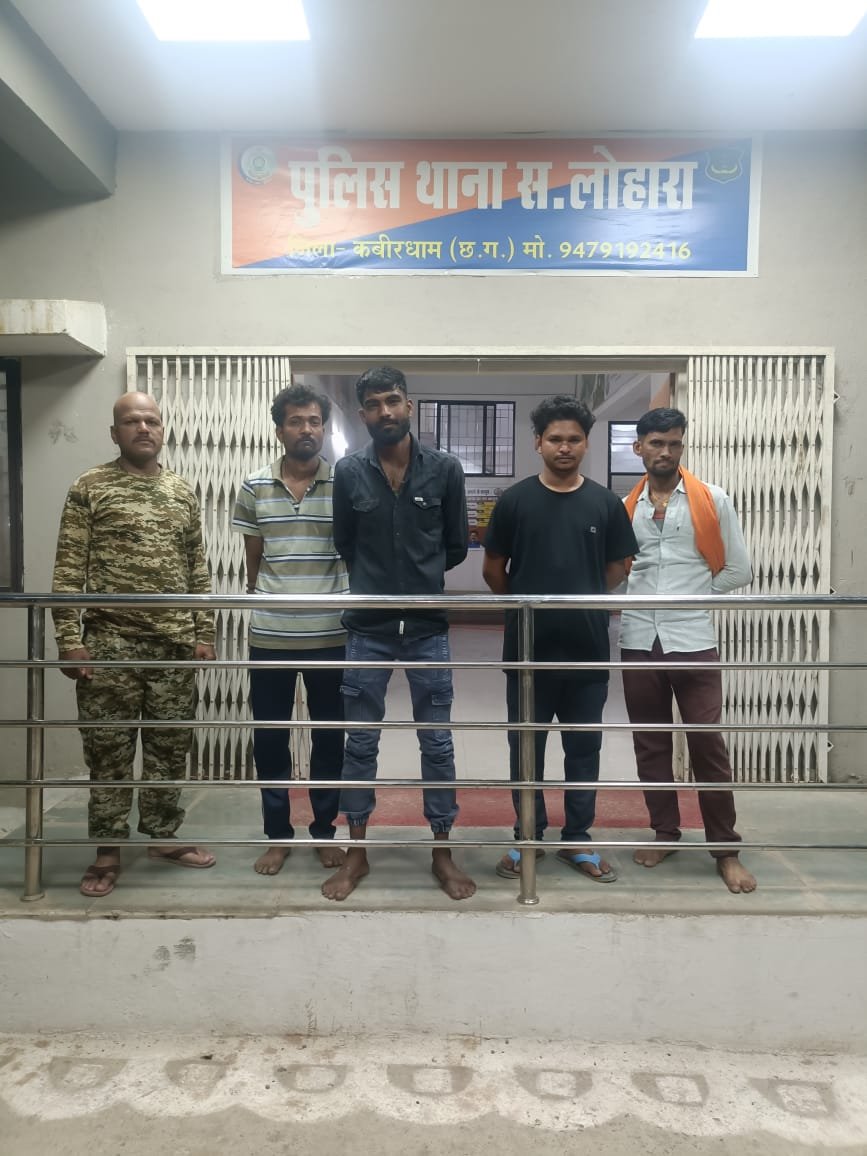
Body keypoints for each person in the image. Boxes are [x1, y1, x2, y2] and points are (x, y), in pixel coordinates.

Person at [52, 391, 217, 898]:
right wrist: (69, 638)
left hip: (173, 647)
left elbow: (197, 568)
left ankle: (163, 837)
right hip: (110, 645)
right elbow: (68, 568)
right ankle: (107, 850)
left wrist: (204, 632)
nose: (143, 428)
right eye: (131, 421)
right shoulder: (90, 487)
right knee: (109, 752)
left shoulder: (181, 491)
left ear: (162, 430)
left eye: (151, 420)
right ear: (115, 433)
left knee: (169, 749)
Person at [321, 366, 475, 902]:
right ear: (361, 412)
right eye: (373, 404)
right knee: (360, 742)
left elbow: (455, 546)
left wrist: (415, 578)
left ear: (409, 405)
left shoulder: (445, 469)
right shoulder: (348, 472)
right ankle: (356, 853)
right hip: (369, 628)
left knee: (437, 742)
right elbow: (346, 542)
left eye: (392, 400)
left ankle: (442, 852)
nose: (384, 411)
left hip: (428, 628)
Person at [483, 395, 637, 882]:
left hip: (587, 652)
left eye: (573, 439)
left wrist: (582, 599)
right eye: (555, 439)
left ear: (586, 443)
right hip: (528, 653)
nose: (564, 447)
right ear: (538, 443)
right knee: (525, 751)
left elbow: (618, 567)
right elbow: (493, 570)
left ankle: (578, 839)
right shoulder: (515, 501)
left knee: (583, 751)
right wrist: (527, 610)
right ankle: (527, 837)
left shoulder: (605, 503)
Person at [620, 407, 757, 894]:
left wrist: (692, 600)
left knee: (707, 744)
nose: (666, 452)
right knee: (650, 743)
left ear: (682, 445)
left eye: (674, 443)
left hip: (694, 640)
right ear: (639, 447)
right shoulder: (624, 506)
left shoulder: (712, 499)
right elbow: (616, 573)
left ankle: (725, 849)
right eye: (657, 443)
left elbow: (739, 570)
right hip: (638, 641)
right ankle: (665, 832)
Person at [232, 384, 349, 877]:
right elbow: (253, 562)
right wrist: (265, 599)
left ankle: (323, 832)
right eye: (296, 421)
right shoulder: (254, 486)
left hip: (332, 636)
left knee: (329, 740)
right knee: (271, 740)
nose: (307, 429)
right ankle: (278, 836)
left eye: (315, 421)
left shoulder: (346, 484)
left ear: (324, 429)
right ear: (279, 430)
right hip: (271, 636)